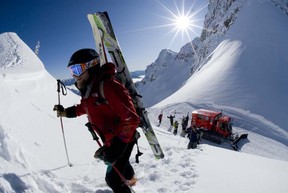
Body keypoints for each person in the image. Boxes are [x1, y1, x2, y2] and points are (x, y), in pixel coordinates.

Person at [53, 48, 140, 193]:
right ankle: (131, 181)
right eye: (71, 71)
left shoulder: (109, 86)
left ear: (91, 66)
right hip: (111, 140)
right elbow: (85, 107)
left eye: (78, 69)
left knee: (112, 179)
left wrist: (116, 148)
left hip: (124, 139)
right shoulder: (90, 89)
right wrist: (65, 112)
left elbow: (131, 119)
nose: (75, 75)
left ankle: (127, 184)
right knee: (120, 165)